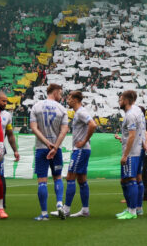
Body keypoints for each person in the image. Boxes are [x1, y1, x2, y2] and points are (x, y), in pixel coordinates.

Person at [30, 83, 69, 221]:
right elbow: (64, 130)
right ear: (55, 91)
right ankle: (59, 204)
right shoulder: (62, 109)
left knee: (42, 181)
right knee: (58, 177)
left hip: (41, 148)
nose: (61, 96)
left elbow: (34, 128)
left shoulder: (36, 106)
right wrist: (55, 146)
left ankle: (44, 214)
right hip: (56, 150)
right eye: (61, 92)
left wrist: (47, 143)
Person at [62, 90, 96, 218]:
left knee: (70, 177)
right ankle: (85, 210)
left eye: (69, 98)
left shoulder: (81, 112)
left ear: (76, 100)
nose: (67, 100)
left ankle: (66, 209)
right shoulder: (78, 113)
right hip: (82, 150)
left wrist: (84, 141)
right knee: (81, 179)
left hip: (81, 150)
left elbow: (93, 125)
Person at [116, 90, 145, 220]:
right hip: (139, 150)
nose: (119, 101)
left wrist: (125, 155)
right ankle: (136, 208)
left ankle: (131, 211)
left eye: (121, 99)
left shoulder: (130, 115)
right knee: (135, 179)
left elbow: (132, 136)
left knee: (130, 179)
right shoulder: (137, 110)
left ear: (127, 101)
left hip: (132, 153)